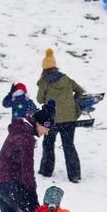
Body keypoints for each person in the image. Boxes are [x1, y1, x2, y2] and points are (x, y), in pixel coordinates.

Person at [36, 49, 85, 182]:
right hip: (69, 119)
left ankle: (46, 170)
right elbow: (80, 91)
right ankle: (74, 175)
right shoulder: (66, 79)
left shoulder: (44, 82)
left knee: (48, 145)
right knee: (69, 146)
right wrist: (74, 102)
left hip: (51, 120)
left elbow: (39, 100)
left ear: (44, 68)